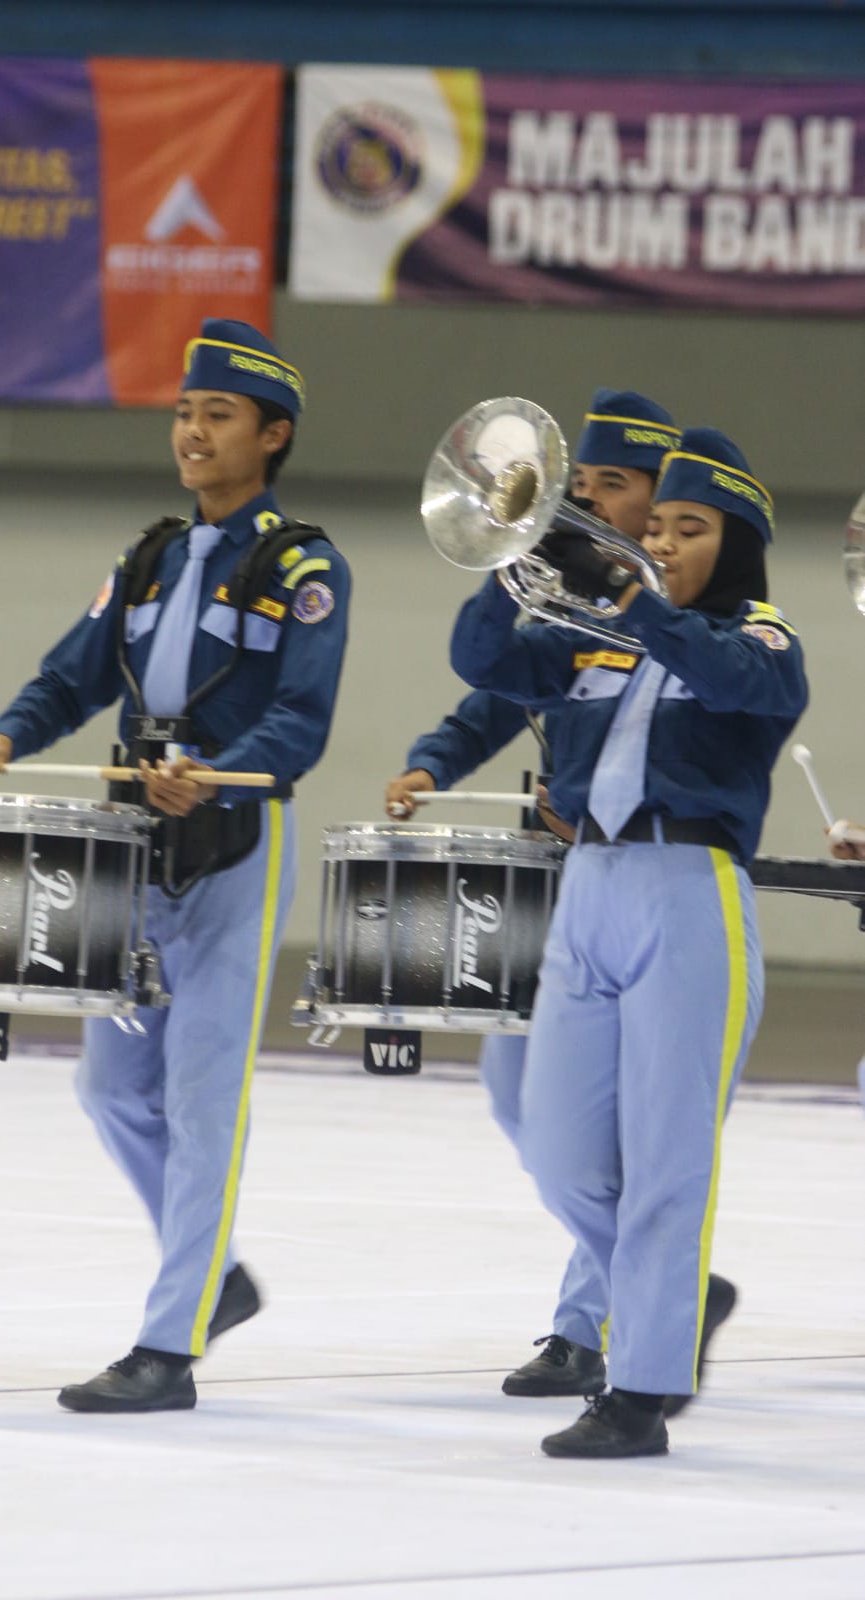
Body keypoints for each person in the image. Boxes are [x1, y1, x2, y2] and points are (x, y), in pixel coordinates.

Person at [0, 319, 351, 1413]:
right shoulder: (150, 557)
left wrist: (219, 775)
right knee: (111, 1085)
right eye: (183, 412)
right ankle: (215, 1276)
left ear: (270, 436)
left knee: (204, 1095)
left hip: (229, 850)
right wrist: (10, 732)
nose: (190, 431)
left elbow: (300, 722)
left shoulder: (302, 565)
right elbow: (75, 673)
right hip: (132, 846)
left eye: (215, 415)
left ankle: (167, 1346)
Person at [449, 428, 807, 1457]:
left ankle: (639, 1389)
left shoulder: (764, 642)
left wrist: (634, 597)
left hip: (688, 895)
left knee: (664, 1159)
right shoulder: (592, 639)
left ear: (736, 547)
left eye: (689, 530)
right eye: (654, 527)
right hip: (591, 887)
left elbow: (734, 680)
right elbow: (482, 664)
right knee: (554, 1140)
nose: (661, 542)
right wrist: (509, 567)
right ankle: (678, 1298)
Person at [389, 392, 734, 1411]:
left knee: (635, 1123)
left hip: (659, 884)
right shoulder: (562, 599)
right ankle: (669, 1286)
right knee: (523, 1102)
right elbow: (498, 691)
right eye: (575, 487)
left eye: (607, 488)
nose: (583, 504)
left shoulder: (698, 618)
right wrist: (433, 761)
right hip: (564, 886)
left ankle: (592, 1323)